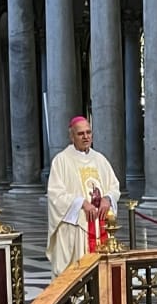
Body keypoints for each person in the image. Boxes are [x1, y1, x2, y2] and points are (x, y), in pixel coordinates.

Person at [46, 116, 122, 275]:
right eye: (80, 134)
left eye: (88, 132)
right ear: (71, 136)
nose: (86, 137)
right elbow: (55, 195)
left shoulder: (99, 159)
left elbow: (114, 186)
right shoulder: (61, 160)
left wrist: (108, 198)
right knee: (77, 274)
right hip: (76, 228)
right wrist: (81, 203)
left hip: (100, 224)